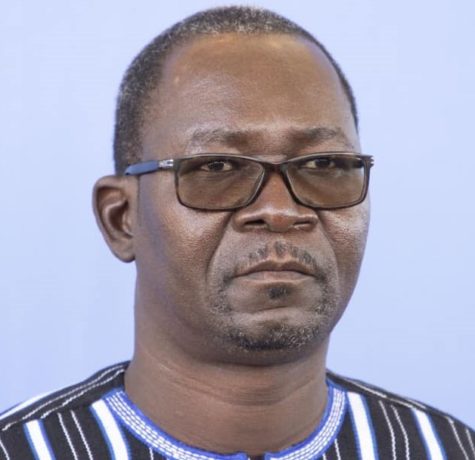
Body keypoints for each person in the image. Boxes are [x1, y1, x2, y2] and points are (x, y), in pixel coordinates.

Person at [1, 6, 473, 460]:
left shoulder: (446, 449)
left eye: (324, 164)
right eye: (217, 167)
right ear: (121, 218)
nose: (280, 210)